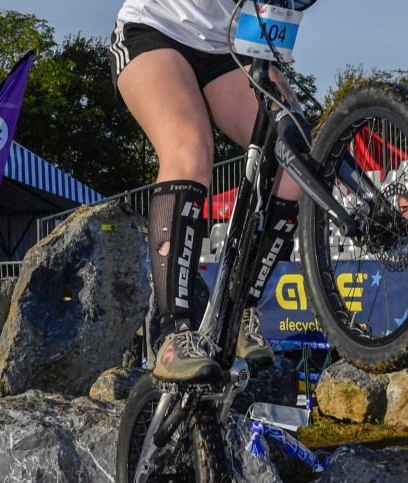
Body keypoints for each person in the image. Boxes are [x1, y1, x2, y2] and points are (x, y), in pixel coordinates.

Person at [108, 1, 308, 382]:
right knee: (190, 149)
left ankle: (241, 309)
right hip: (157, 29)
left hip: (234, 43)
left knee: (292, 157)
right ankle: (172, 333)